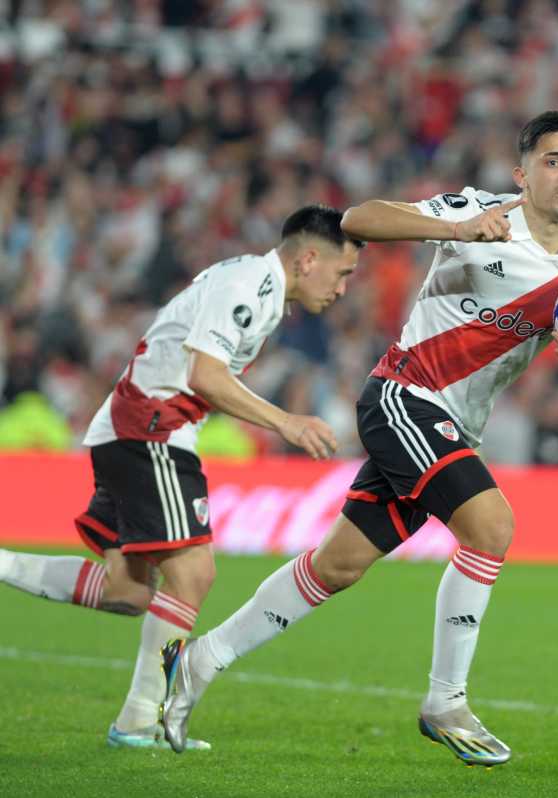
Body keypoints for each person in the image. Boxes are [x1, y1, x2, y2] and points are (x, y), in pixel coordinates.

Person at [158, 109, 558, 766]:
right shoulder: (481, 213)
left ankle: (196, 662)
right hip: (401, 399)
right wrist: (454, 228)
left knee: (337, 567)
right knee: (491, 527)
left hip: (451, 427)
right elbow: (357, 220)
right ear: (521, 173)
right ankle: (447, 700)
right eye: (553, 161)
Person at [0, 205, 361, 749]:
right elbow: (205, 374)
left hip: (137, 425)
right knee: (194, 574)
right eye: (341, 274)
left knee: (126, 592)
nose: (341, 290)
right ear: (309, 259)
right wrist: (285, 420)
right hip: (152, 425)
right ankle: (140, 720)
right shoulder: (251, 285)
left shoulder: (256, 286)